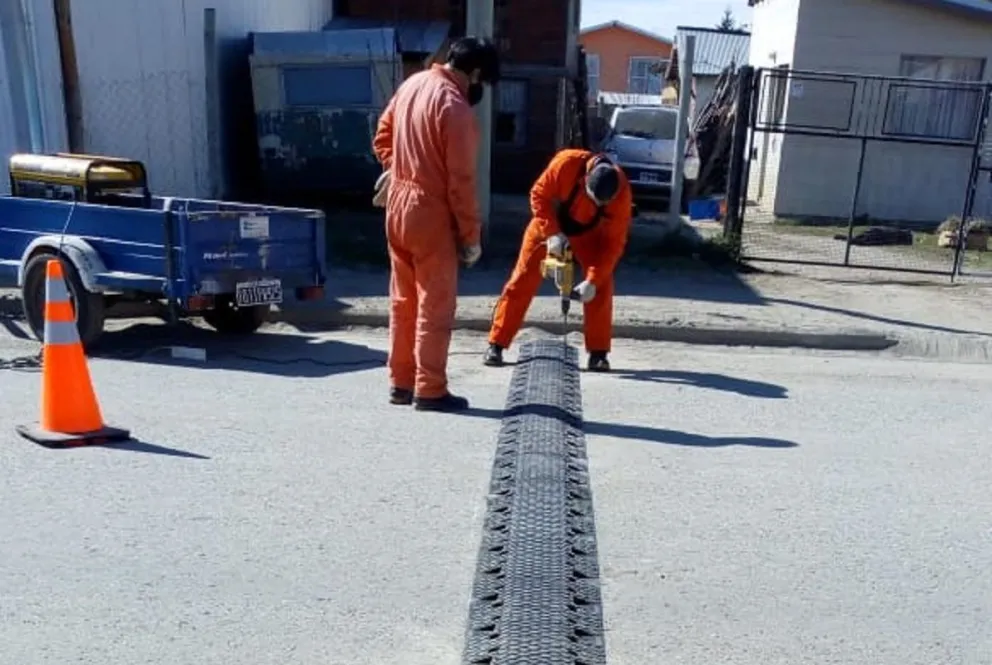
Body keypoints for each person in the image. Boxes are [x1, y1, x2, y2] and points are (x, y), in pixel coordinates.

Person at [372, 37, 500, 412]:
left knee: (403, 300)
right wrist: (471, 237)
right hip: (430, 210)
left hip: (397, 204)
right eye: (483, 82)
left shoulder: (411, 84)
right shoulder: (456, 108)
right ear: (474, 73)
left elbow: (382, 135)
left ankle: (401, 382)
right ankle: (430, 389)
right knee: (435, 303)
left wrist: (397, 170)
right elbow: (460, 183)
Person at [484, 149, 633, 372]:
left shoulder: (621, 194)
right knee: (522, 279)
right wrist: (552, 233)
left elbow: (613, 244)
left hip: (588, 236)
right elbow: (538, 194)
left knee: (601, 285)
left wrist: (592, 280)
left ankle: (598, 353)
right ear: (585, 181)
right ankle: (496, 344)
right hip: (548, 225)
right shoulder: (566, 164)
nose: (597, 205)